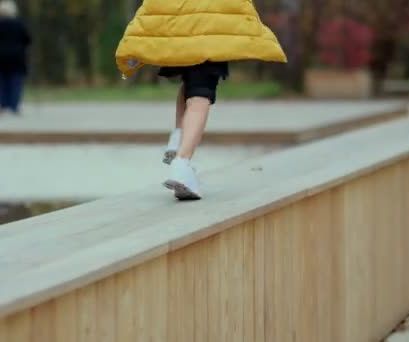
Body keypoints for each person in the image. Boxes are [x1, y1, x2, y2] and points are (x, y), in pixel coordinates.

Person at [116, 1, 287, 200]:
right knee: (201, 94)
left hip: (179, 21)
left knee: (189, 82)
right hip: (209, 24)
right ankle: (182, 162)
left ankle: (179, 138)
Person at [0, 0, 32, 115]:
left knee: (0, 81)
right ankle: (14, 106)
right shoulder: (19, 24)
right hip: (17, 57)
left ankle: (2, 105)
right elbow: (28, 39)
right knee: (16, 81)